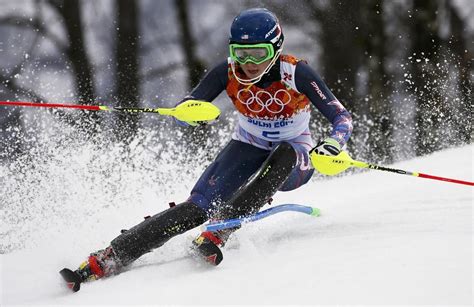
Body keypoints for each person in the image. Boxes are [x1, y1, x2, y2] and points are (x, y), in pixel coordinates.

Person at [61, 8, 352, 289]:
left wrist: (333, 144)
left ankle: (221, 229)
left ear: (275, 49)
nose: (248, 63)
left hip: (294, 156)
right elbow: (189, 108)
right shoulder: (226, 72)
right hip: (247, 146)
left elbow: (341, 117)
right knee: (198, 206)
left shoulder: (296, 72)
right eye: (240, 52)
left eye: (258, 53)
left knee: (285, 153)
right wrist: (186, 115)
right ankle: (111, 256)